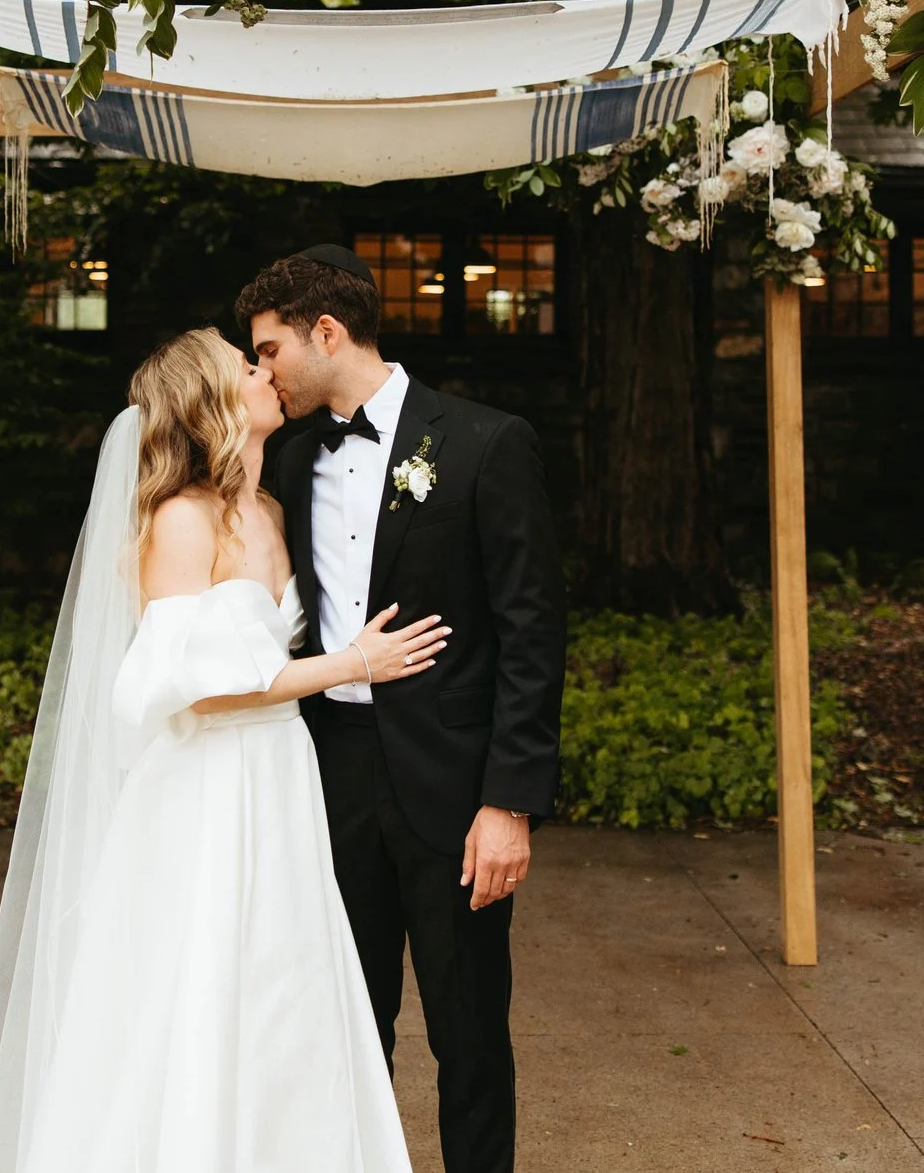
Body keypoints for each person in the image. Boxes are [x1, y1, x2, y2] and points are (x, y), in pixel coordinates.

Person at [0, 327, 442, 1173]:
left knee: (284, 993)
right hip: (206, 787)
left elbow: (269, 649)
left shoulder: (274, 509)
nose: (265, 374)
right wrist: (352, 663)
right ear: (214, 402)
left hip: (280, 779)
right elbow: (201, 686)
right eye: (246, 367)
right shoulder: (177, 519)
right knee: (202, 992)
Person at [238, 246, 567, 1173]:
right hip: (328, 774)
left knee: (468, 1037)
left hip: (457, 791)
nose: (263, 371)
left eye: (269, 351)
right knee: (343, 1025)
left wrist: (509, 801)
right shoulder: (289, 463)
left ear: (326, 332)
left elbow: (531, 635)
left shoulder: (485, 443)